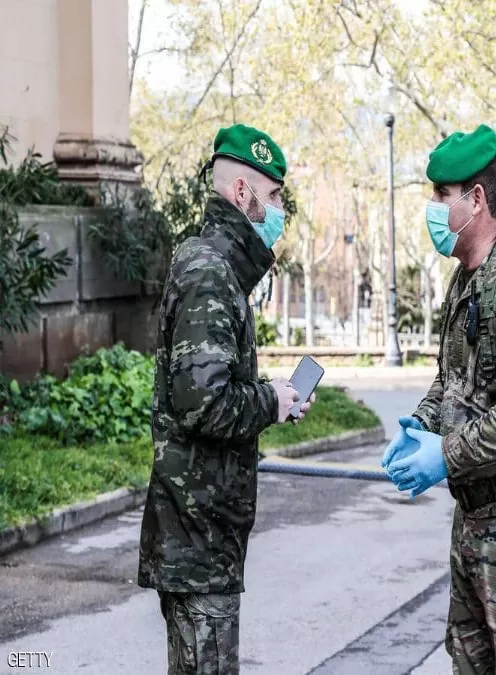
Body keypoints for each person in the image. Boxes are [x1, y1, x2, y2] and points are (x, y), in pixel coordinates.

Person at [381, 124, 496, 674]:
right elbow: (451, 380)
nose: (433, 207)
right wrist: (420, 425)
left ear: (476, 198)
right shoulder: (466, 280)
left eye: (442, 195)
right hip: (473, 519)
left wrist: (446, 454)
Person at [137, 123, 312, 675]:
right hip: (197, 539)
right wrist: (271, 401)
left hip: (204, 535)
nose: (280, 210)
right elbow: (203, 403)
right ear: (243, 195)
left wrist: (271, 399)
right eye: (275, 197)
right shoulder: (211, 273)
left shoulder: (216, 268)